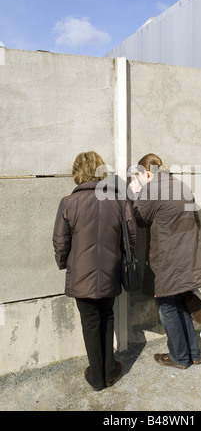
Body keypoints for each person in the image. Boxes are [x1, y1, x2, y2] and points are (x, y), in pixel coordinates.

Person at [53, 151, 137, 391]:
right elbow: (131, 235)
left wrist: (63, 263)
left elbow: (60, 240)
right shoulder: (119, 200)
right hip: (110, 270)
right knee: (107, 316)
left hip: (81, 274)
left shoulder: (69, 202)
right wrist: (124, 257)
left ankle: (97, 378)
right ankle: (109, 371)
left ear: (78, 172)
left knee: (90, 322)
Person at [131, 153, 201, 369]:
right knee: (179, 303)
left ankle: (179, 357)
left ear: (146, 173)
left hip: (168, 259)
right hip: (188, 256)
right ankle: (193, 353)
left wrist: (137, 193)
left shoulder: (152, 189)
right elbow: (197, 222)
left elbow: (138, 219)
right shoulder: (181, 186)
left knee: (167, 305)